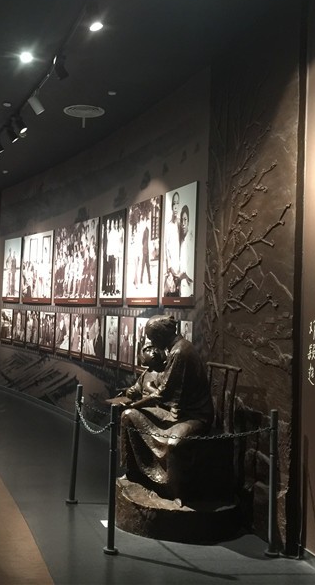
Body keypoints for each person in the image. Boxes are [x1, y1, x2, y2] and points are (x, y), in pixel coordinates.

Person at [118, 315, 212, 502]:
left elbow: (163, 393)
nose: (152, 343)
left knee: (173, 444)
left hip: (194, 416)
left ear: (161, 336)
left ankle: (174, 491)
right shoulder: (175, 350)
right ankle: (134, 472)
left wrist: (135, 404)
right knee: (128, 416)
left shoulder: (180, 352)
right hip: (176, 413)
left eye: (152, 338)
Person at [163, 191, 181, 296]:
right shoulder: (168, 226)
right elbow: (166, 249)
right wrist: (170, 268)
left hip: (179, 270)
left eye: (177, 203)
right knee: (170, 296)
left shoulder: (181, 224)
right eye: (174, 203)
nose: (175, 206)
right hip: (171, 271)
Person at [178, 205, 195, 297]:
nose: (183, 223)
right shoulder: (182, 240)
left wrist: (183, 274)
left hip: (189, 287)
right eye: (182, 220)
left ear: (188, 221)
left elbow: (191, 268)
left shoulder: (191, 240)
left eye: (185, 219)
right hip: (183, 287)